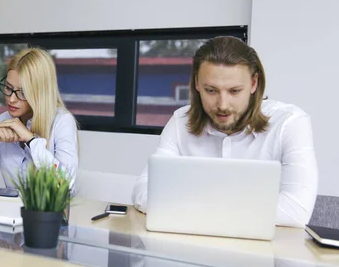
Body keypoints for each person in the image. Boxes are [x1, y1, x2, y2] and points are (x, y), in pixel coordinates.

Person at [131, 36, 318, 228]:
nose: (223, 105)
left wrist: (193, 207)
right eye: (211, 90)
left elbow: (296, 210)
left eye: (235, 91)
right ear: (197, 83)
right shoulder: (181, 122)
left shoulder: (290, 123)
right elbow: (143, 191)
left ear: (254, 84)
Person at [0, 48, 79, 190]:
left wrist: (31, 140)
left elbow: (66, 186)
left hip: (48, 212)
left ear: (39, 93)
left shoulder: (62, 121)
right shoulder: (3, 119)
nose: (11, 99)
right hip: (10, 209)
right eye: (8, 88)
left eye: (23, 92)